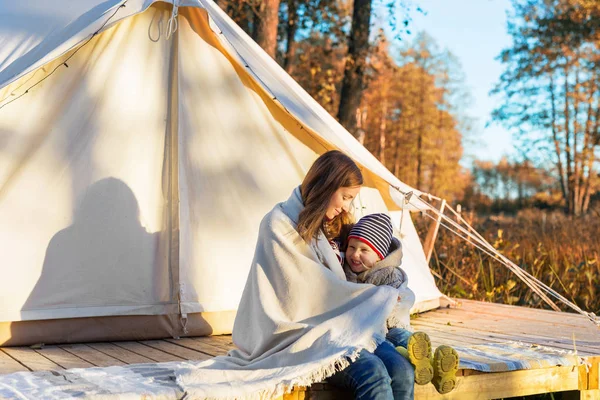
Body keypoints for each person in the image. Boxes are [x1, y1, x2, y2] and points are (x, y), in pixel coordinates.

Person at [342, 213, 460, 394]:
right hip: (372, 331)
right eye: (351, 247)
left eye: (364, 250)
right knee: (403, 351)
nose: (355, 254)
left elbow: (397, 301)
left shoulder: (389, 274)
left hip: (390, 325)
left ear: (379, 256)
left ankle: (434, 368)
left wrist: (385, 298)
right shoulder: (345, 270)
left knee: (407, 341)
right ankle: (427, 368)